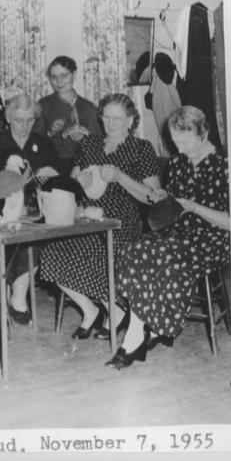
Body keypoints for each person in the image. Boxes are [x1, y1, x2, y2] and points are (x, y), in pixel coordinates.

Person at [106, 106, 230, 369]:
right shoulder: (177, 163)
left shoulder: (225, 167)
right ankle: (140, 330)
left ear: (204, 133)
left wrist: (194, 207)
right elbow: (173, 205)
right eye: (175, 143)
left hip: (214, 237)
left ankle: (144, 333)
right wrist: (162, 199)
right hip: (179, 231)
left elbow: (229, 223)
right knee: (133, 249)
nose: (180, 149)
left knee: (163, 254)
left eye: (185, 142)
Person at [39, 93, 161, 340]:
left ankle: (114, 311)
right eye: (106, 117)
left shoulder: (141, 149)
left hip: (122, 222)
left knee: (96, 250)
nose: (111, 123)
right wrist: (77, 183)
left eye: (118, 118)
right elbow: (69, 187)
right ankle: (92, 310)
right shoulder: (90, 144)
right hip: (86, 217)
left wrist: (121, 178)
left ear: (130, 121)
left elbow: (153, 197)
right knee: (52, 253)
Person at [0, 94, 61, 323]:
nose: (24, 126)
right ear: (8, 119)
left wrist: (47, 177)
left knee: (33, 239)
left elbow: (55, 180)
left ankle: (18, 295)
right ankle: (1, 297)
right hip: (1, 211)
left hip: (35, 211)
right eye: (18, 120)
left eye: (29, 120)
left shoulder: (43, 144)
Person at [32, 56, 102, 176]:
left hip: (84, 166)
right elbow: (33, 142)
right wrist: (51, 133)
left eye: (64, 76)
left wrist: (84, 139)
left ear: (74, 75)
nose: (59, 82)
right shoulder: (44, 105)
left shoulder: (89, 107)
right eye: (54, 77)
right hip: (53, 166)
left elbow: (100, 143)